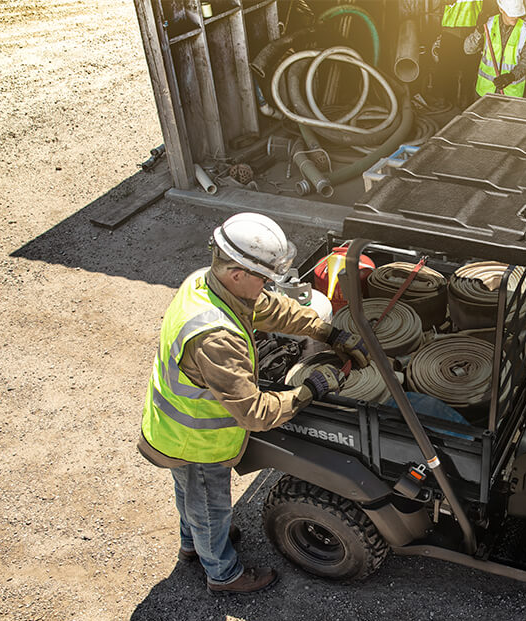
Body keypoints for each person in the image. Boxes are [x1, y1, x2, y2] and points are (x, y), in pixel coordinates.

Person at [139, 213, 371, 595]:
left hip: (174, 426)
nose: (266, 286)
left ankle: (193, 544)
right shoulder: (216, 337)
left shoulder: (208, 281)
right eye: (262, 278)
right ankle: (223, 575)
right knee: (210, 504)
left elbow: (271, 309)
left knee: (190, 493)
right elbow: (255, 414)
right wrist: (310, 389)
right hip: (194, 439)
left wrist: (329, 331)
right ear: (236, 273)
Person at [464, 0, 526, 98]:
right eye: (512, 14)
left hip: (511, 94)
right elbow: (468, 49)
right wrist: (478, 30)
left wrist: (511, 77)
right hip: (484, 91)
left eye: (517, 13)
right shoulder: (488, 24)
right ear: (501, 9)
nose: (516, 17)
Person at [431, 0, 488, 107]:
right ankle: (442, 98)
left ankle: (464, 101)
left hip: (473, 27)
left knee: (469, 69)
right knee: (446, 66)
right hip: (452, 27)